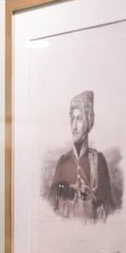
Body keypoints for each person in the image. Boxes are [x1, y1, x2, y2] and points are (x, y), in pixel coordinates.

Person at [49, 90, 113, 222]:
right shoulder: (63, 162)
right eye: (72, 119)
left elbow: (109, 210)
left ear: (88, 122)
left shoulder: (99, 161)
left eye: (79, 119)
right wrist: (67, 187)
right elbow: (53, 199)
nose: (74, 126)